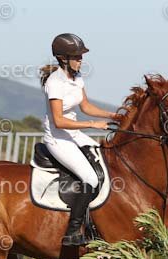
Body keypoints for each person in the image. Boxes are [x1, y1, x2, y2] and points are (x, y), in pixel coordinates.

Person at [39, 33, 118, 246]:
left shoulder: (77, 77)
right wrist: (93, 125)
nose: (81, 60)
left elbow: (86, 106)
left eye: (81, 56)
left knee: (106, 161)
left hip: (73, 135)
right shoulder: (55, 83)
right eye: (77, 57)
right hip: (58, 139)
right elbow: (58, 121)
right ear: (63, 58)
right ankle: (73, 231)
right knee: (90, 178)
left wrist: (114, 115)